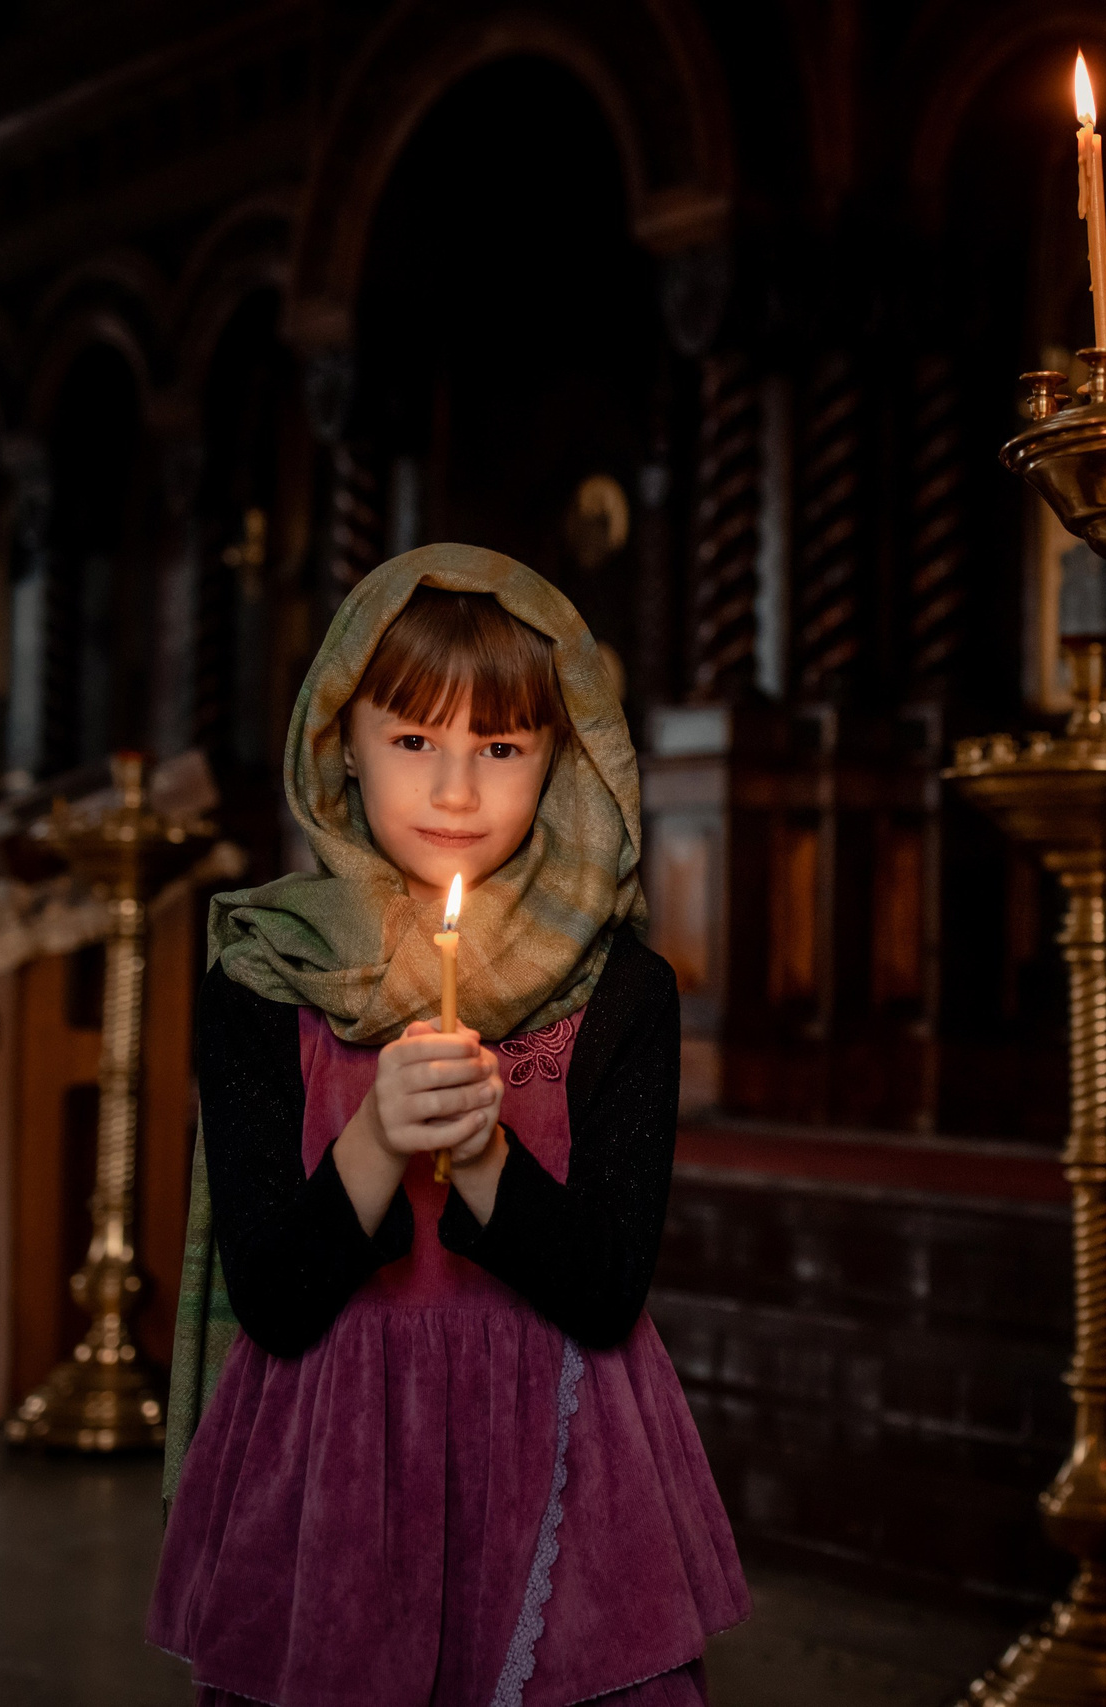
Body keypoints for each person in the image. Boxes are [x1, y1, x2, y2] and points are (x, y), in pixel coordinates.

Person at [150, 544, 749, 1707]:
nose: (458, 791)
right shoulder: (264, 977)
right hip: (337, 1458)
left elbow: (605, 1290)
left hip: (560, 1461)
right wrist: (375, 1145)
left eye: (503, 748)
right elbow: (271, 1300)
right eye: (414, 740)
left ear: (562, 761)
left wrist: (481, 1158)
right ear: (340, 745)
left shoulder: (622, 990)